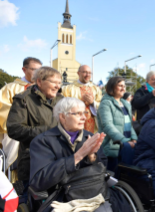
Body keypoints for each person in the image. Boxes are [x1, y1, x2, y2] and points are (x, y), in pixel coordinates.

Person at [29, 97, 113, 212]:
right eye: (78, 114)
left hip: (91, 194)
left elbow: (102, 169)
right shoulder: (43, 141)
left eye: (84, 113)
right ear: (62, 117)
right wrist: (77, 156)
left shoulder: (89, 137)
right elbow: (39, 181)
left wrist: (92, 157)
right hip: (60, 198)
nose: (84, 118)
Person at [6, 66, 63, 204]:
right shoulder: (23, 99)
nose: (57, 86)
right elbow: (14, 129)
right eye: (53, 82)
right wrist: (48, 131)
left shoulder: (61, 99)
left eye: (59, 82)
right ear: (39, 82)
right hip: (33, 161)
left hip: (58, 160)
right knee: (31, 202)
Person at [0, 57, 42, 181]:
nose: (37, 73)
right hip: (17, 132)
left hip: (38, 130)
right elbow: (3, 109)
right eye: (34, 69)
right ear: (24, 69)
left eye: (40, 70)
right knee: (15, 159)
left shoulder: (42, 88)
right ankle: (13, 184)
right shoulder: (11, 88)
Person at [97, 77, 137, 172]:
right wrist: (124, 141)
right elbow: (107, 125)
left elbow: (129, 124)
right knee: (114, 179)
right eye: (120, 86)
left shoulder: (125, 104)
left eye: (124, 86)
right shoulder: (106, 104)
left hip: (127, 146)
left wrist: (134, 139)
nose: (123, 88)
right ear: (111, 87)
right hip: (113, 148)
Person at [62, 65, 102, 133]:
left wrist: (93, 103)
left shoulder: (96, 89)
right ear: (78, 73)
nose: (87, 75)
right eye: (85, 72)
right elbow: (63, 105)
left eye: (89, 73)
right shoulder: (68, 88)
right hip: (74, 123)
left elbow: (102, 105)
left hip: (93, 125)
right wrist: (80, 101)